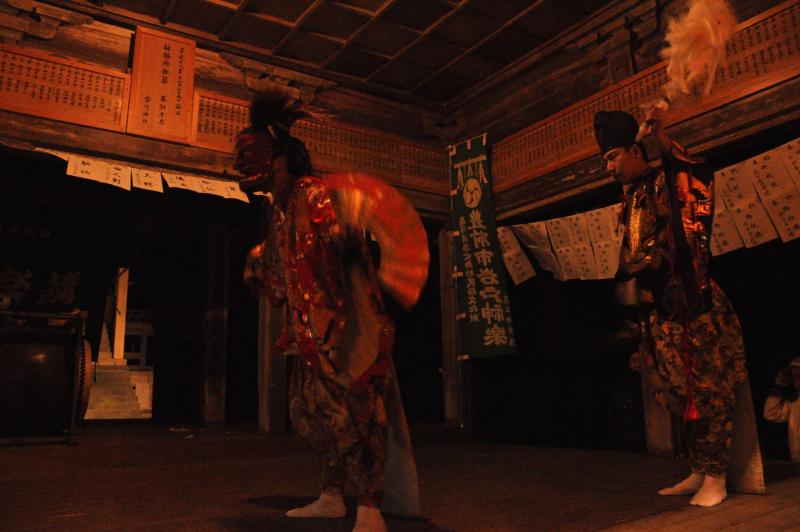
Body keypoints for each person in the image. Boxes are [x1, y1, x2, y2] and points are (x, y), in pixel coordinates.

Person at [234, 90, 422, 532]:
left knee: (359, 416)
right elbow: (283, 281)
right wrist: (261, 259)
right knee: (317, 413)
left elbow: (339, 242)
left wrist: (348, 232)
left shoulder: (312, 193)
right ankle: (333, 496)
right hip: (310, 331)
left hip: (345, 327)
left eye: (249, 155)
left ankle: (371, 509)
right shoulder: (278, 210)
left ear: (278, 159)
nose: (240, 165)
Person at [594, 107, 747, 507]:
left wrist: (661, 139)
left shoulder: (664, 180)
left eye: (612, 156)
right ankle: (699, 469)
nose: (609, 167)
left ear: (634, 150)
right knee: (679, 394)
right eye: (605, 160)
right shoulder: (631, 201)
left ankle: (717, 476)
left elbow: (690, 174)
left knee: (707, 389)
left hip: (690, 304)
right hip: (658, 312)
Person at [763, 357, 800, 462]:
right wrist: (778, 388)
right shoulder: (794, 402)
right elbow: (771, 415)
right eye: (794, 377)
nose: (798, 380)